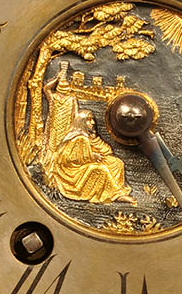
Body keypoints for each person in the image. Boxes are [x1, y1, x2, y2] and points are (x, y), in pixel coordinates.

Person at [41, 66, 134, 204]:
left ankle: (118, 190)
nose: (92, 123)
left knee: (117, 163)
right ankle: (115, 195)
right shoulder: (77, 138)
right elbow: (67, 159)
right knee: (100, 169)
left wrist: (96, 144)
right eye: (89, 120)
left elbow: (106, 150)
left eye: (92, 120)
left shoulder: (72, 101)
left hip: (84, 157)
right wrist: (92, 156)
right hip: (71, 171)